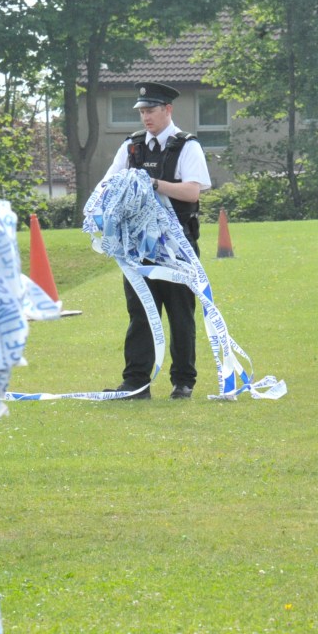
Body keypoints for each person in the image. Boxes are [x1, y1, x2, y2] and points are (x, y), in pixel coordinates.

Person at [103, 82, 212, 400]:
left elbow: (192, 191)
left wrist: (151, 183)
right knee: (141, 313)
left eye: (151, 110)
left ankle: (183, 382)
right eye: (142, 111)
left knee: (180, 312)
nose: (145, 117)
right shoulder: (132, 146)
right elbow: (110, 184)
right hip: (137, 245)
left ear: (168, 110)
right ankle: (136, 383)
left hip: (177, 244)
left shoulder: (187, 146)